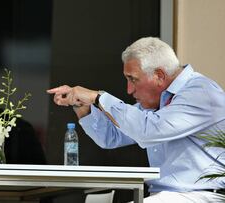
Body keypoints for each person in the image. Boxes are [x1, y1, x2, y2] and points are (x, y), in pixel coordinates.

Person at [47, 37, 225, 202]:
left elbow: (149, 131)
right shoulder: (159, 100)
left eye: (133, 79)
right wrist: (81, 105)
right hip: (166, 197)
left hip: (200, 196)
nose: (129, 90)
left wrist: (98, 97)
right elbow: (111, 136)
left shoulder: (200, 92)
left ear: (159, 76)